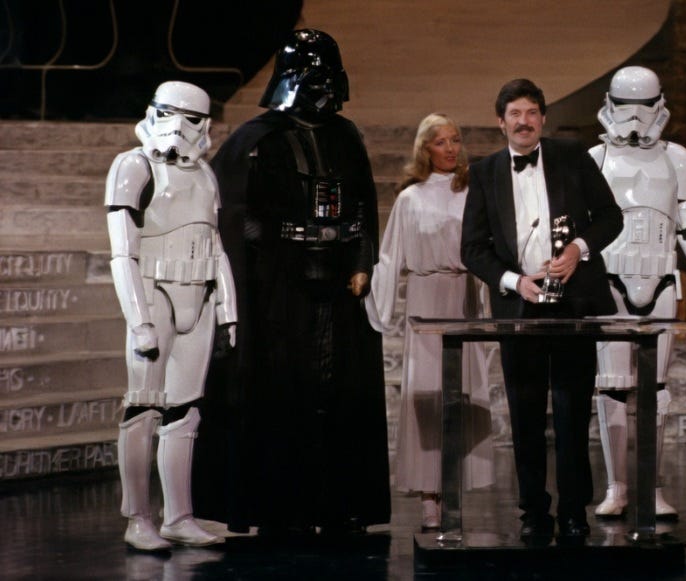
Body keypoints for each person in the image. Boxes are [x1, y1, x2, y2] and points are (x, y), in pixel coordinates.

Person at [192, 29, 390, 537]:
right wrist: (273, 252)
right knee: (282, 393)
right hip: (277, 294)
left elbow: (363, 207)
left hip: (339, 289)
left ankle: (338, 504)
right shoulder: (255, 140)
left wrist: (361, 260)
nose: (323, 91)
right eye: (314, 79)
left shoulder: (345, 136)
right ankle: (281, 507)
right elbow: (233, 216)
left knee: (336, 390)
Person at [461, 79, 623, 541]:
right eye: (515, 113)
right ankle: (533, 512)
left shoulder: (572, 156)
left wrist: (577, 249)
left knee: (573, 413)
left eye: (531, 112)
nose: (524, 121)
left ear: (543, 118)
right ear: (501, 122)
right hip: (519, 308)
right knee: (525, 415)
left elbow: (611, 217)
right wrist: (515, 282)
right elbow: (472, 249)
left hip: (574, 303)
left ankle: (574, 512)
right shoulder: (485, 172)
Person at [105, 80, 238, 551]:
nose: (178, 127)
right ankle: (138, 517)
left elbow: (215, 244)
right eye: (168, 113)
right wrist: (139, 319)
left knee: (185, 412)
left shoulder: (204, 174)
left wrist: (228, 308)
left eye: (191, 118)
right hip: (153, 292)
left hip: (198, 296)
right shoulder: (133, 165)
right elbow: (122, 253)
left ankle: (178, 515)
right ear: (152, 112)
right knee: (143, 407)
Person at [590, 66, 686, 520]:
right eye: (625, 106)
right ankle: (616, 487)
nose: (634, 117)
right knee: (611, 387)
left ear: (659, 105)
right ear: (610, 104)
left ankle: (650, 486)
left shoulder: (677, 158)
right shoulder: (596, 158)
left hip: (663, 279)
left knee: (657, 388)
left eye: (643, 106)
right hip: (610, 281)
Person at [365, 113, 494, 531]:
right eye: (441, 142)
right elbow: (390, 256)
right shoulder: (411, 198)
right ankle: (428, 497)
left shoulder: (472, 192)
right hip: (425, 296)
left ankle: (453, 488)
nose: (451, 148)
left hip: (463, 295)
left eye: (455, 139)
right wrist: (373, 299)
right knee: (427, 394)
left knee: (462, 394)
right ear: (425, 149)